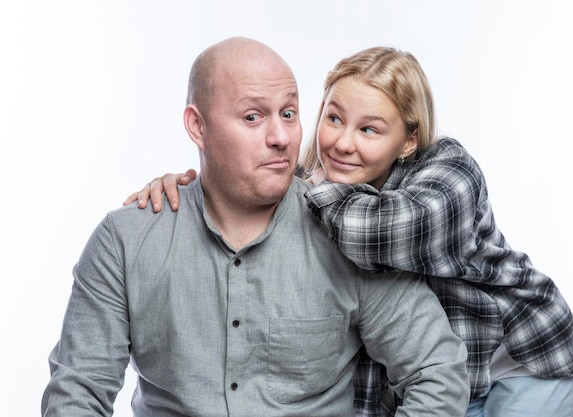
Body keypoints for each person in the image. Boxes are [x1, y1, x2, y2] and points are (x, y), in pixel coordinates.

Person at [131, 46, 573, 416]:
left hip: (521, 357)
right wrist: (201, 187)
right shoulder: (322, 183)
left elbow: (376, 233)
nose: (343, 142)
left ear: (409, 140)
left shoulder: (451, 174)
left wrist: (280, 187)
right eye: (334, 119)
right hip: (446, 370)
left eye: (369, 129)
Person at [42, 37, 470, 417]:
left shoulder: (353, 233)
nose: (282, 137)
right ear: (198, 126)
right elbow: (78, 391)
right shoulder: (125, 240)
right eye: (252, 118)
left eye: (289, 113)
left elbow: (437, 374)